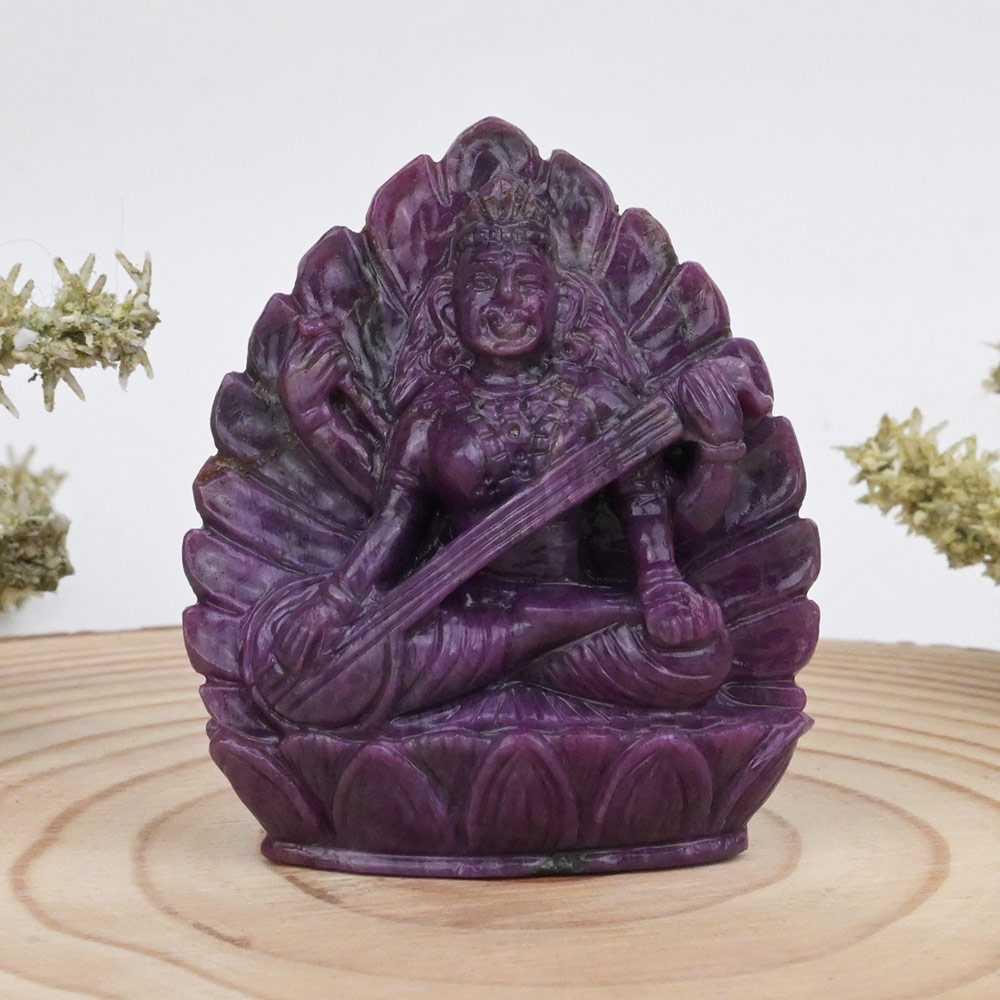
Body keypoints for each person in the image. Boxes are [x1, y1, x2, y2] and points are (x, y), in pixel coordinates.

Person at [250, 177, 769, 730]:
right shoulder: (430, 417)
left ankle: (526, 651)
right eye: (482, 283)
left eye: (527, 282)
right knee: (340, 668)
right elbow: (392, 526)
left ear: (560, 300)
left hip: (575, 611)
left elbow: (649, 512)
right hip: (467, 625)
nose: (506, 302)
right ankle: (533, 646)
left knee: (701, 655)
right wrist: (332, 604)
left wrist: (664, 585)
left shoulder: (599, 401)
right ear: (448, 306)